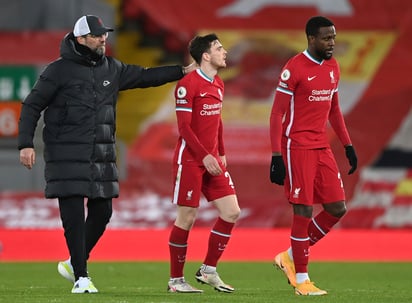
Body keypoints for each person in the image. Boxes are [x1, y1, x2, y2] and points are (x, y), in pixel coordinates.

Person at [18, 14, 196, 294]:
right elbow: (31, 106)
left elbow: (146, 76)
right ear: (81, 39)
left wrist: (182, 72)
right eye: (98, 35)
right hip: (65, 154)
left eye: (105, 34)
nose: (104, 38)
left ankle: (73, 263)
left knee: (103, 212)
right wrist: (25, 144)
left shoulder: (112, 68)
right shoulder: (57, 71)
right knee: (73, 216)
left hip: (101, 156)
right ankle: (81, 276)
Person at [269, 16, 358, 296]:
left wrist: (347, 145)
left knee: (336, 208)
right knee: (303, 210)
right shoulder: (294, 68)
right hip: (297, 147)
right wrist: (276, 155)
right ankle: (302, 281)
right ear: (311, 39)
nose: (332, 42)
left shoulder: (333, 66)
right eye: (326, 38)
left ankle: (289, 257)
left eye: (333, 37)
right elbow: (277, 114)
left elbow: (334, 109)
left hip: (322, 147)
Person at [167, 33, 241, 293]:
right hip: (190, 160)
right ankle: (176, 281)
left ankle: (208, 270)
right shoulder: (187, 85)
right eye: (219, 48)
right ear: (206, 56)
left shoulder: (218, 83)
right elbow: (184, 128)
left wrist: (220, 151)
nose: (225, 52)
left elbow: (217, 120)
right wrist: (205, 155)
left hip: (212, 160)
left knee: (231, 211)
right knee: (186, 218)